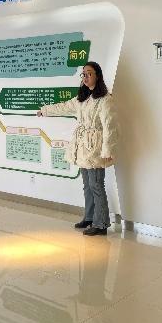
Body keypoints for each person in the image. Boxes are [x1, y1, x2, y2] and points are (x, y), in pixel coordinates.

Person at [37, 61, 118, 236]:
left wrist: (107, 150)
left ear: (97, 75)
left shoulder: (105, 100)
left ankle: (101, 223)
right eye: (83, 74)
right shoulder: (82, 98)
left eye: (89, 73)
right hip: (82, 147)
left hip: (95, 148)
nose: (85, 77)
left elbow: (110, 126)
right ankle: (89, 217)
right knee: (87, 186)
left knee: (96, 185)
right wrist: (44, 110)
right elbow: (64, 107)